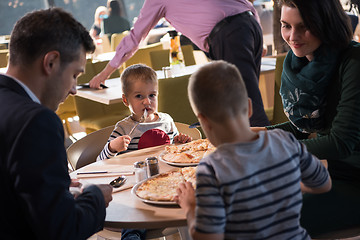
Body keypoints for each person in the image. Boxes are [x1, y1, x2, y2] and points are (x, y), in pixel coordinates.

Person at [174, 60, 331, 240]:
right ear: (249, 107)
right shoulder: (284, 139)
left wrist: (190, 207)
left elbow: (209, 237)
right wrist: (278, 185)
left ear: (203, 121)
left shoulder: (211, 168)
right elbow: (323, 183)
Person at [0, 8, 113, 239]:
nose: (73, 90)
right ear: (51, 62)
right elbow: (63, 230)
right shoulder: (37, 122)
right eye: (74, 75)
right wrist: (95, 197)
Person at [253, 0, 360, 237]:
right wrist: (259, 133)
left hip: (354, 179)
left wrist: (274, 151)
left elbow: (340, 142)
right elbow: (304, 127)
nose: (292, 36)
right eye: (286, 25)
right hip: (336, 171)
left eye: (304, 26)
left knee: (270, 213)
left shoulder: (354, 61)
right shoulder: (301, 61)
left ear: (326, 23)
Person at [89, 0, 270, 127]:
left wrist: (104, 74)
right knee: (240, 105)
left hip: (230, 36)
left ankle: (273, 166)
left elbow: (135, 38)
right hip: (248, 26)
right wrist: (257, 38)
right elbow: (243, 3)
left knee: (248, 107)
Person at [97, 64, 191, 161]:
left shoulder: (167, 121)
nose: (147, 102)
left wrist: (181, 143)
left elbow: (176, 151)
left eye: (152, 95)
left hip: (167, 174)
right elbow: (100, 161)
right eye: (139, 96)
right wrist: (112, 147)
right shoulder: (123, 128)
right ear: (125, 100)